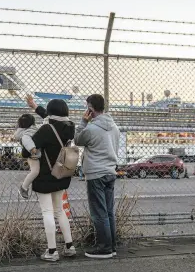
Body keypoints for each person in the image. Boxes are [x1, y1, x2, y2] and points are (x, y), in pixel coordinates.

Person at [26, 95, 76, 262]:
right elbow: (51, 120)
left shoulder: (46, 130)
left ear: (51, 113)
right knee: (60, 210)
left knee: (47, 211)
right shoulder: (70, 127)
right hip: (61, 173)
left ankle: (52, 251)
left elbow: (28, 151)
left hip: (45, 176)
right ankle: (69, 247)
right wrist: (35, 107)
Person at [74, 94, 120, 259]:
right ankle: (111, 246)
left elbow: (77, 140)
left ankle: (104, 248)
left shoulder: (91, 129)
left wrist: (83, 122)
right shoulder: (115, 127)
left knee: (99, 213)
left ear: (90, 109)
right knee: (108, 212)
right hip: (110, 172)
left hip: (96, 174)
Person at [14, 113, 41, 199]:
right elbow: (26, 139)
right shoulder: (28, 132)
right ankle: (24, 187)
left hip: (35, 155)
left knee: (37, 172)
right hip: (34, 156)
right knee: (35, 171)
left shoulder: (26, 131)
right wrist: (32, 149)